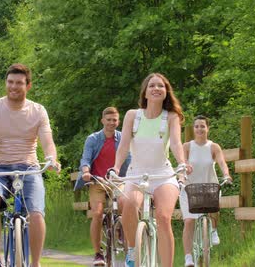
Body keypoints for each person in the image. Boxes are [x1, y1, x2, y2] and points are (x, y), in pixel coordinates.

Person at [0, 63, 60, 267]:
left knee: (37, 213)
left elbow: (48, 142)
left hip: (29, 167)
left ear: (28, 86)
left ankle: (35, 263)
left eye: (19, 83)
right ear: (6, 83)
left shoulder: (38, 110)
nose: (13, 86)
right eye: (10, 82)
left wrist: (51, 159)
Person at [110, 73, 187, 267]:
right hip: (136, 173)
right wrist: (116, 168)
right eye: (152, 86)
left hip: (163, 174)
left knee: (163, 217)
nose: (156, 89)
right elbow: (124, 145)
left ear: (165, 92)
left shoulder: (171, 117)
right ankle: (133, 250)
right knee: (128, 204)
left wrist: (182, 164)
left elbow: (177, 144)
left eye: (160, 86)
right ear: (145, 92)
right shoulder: (132, 116)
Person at [74, 106, 131, 266]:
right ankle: (98, 253)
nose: (112, 123)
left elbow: (130, 158)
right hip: (97, 181)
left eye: (115, 120)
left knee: (124, 205)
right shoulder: (93, 139)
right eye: (109, 120)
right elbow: (85, 159)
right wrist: (85, 171)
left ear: (118, 121)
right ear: (102, 121)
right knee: (97, 213)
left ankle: (121, 233)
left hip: (117, 180)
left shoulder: (123, 138)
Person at [180, 115, 232, 267]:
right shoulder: (187, 147)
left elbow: (222, 163)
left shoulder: (213, 147)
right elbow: (182, 165)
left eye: (202, 126)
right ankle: (188, 257)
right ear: (193, 129)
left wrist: (226, 175)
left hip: (209, 187)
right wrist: (181, 178)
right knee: (189, 221)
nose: (199, 129)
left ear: (208, 128)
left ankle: (213, 229)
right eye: (196, 126)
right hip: (189, 189)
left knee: (214, 206)